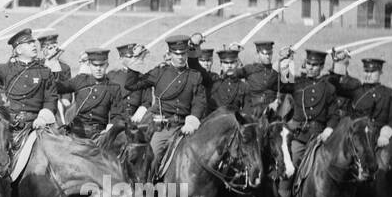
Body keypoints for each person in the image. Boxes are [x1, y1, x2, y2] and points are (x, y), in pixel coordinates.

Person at [123, 37, 207, 170]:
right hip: (164, 128)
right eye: (177, 54)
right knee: (152, 159)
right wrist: (136, 61)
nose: (180, 57)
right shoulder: (159, 73)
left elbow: (199, 102)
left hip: (186, 127)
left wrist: (193, 120)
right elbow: (131, 84)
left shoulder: (194, 76)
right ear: (170, 54)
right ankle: (147, 189)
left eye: (183, 53)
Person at [0, 29, 62, 150]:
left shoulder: (45, 72)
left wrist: (42, 118)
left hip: (36, 125)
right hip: (9, 124)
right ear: (19, 50)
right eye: (29, 43)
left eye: (33, 42)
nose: (33, 45)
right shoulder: (6, 69)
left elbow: (51, 100)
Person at [276, 47, 343, 171]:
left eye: (315, 65)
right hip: (298, 137)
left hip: (318, 138)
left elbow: (334, 115)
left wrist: (328, 129)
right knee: (290, 168)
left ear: (322, 66)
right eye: (309, 64)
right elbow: (283, 85)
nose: (311, 67)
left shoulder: (328, 88)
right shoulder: (297, 83)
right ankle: (283, 191)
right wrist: (286, 61)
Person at [49, 48, 131, 140]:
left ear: (107, 65)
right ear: (89, 65)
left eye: (101, 65)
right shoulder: (80, 80)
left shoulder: (113, 88)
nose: (98, 69)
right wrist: (52, 65)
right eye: (95, 65)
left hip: (99, 134)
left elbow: (117, 114)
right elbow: (57, 87)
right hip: (76, 132)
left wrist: (110, 127)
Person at [330, 54, 392, 147]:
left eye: (372, 72)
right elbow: (335, 85)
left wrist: (385, 135)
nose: (368, 75)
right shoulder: (356, 90)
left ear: (380, 72)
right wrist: (338, 64)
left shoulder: (389, 93)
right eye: (366, 71)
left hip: (380, 140)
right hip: (357, 139)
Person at [236, 40, 282, 121]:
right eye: (264, 54)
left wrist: (276, 102)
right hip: (252, 113)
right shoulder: (249, 69)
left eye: (270, 53)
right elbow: (233, 75)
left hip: (270, 114)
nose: (268, 57)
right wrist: (234, 54)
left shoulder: (276, 73)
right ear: (257, 53)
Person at [206, 46, 247, 115]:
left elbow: (247, 111)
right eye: (226, 63)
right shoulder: (213, 82)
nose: (229, 66)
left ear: (237, 64)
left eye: (232, 62)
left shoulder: (243, 86)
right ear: (221, 65)